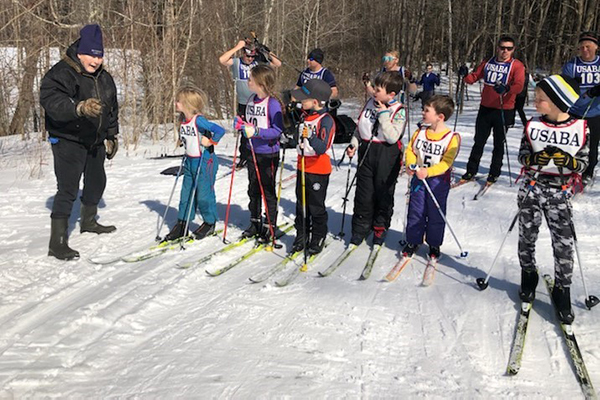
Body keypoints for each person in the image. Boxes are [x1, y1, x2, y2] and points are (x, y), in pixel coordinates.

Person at [40, 24, 119, 261]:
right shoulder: (62, 72)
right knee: (68, 188)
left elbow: (112, 108)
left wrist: (112, 134)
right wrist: (79, 108)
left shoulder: (104, 77)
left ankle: (89, 221)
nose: (96, 60)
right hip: (68, 139)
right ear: (80, 52)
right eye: (92, 55)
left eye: (99, 55)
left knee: (96, 182)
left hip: (94, 140)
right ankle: (58, 242)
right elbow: (51, 101)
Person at [516, 75, 589, 324]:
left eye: (541, 100)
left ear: (558, 102)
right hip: (532, 188)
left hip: (560, 192)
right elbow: (523, 155)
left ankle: (562, 289)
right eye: (535, 98)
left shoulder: (580, 128)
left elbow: (584, 162)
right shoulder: (534, 125)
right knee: (527, 236)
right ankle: (528, 274)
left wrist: (570, 163)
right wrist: (532, 160)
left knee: (564, 243)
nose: (535, 103)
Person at [346, 71, 406, 246]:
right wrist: (353, 144)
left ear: (391, 94)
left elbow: (393, 137)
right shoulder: (370, 103)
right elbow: (360, 128)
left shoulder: (399, 110)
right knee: (363, 193)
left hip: (386, 154)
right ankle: (360, 228)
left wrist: (384, 115)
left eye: (378, 89)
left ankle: (380, 228)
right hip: (366, 150)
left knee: (383, 193)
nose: (374, 91)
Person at [162, 86, 226, 242]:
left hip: (205, 162)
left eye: (179, 101)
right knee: (186, 194)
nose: (176, 103)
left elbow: (219, 130)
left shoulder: (199, 120)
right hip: (190, 162)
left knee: (204, 195)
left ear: (187, 104)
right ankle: (182, 224)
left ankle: (209, 222)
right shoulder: (183, 120)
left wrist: (211, 141)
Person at [460, 35, 525, 184]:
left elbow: (519, 85)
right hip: (485, 109)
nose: (505, 51)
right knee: (479, 141)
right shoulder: (488, 62)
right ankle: (471, 170)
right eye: (502, 48)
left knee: (498, 143)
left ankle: (494, 172)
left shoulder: (517, 65)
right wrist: (465, 75)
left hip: (504, 109)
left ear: (513, 50)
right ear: (497, 48)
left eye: (509, 48)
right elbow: (473, 78)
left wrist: (507, 88)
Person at [402, 96, 460, 259]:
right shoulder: (420, 131)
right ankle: (413, 240)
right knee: (416, 210)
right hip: (418, 179)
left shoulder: (451, 137)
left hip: (437, 182)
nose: (423, 112)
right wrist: (411, 164)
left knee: (436, 212)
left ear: (440, 116)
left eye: (427, 110)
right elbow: (411, 150)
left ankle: (434, 243)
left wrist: (429, 172)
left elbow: (446, 163)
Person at [235, 64, 284, 242]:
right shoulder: (250, 100)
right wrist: (241, 125)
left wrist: (256, 132)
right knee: (253, 189)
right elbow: (248, 123)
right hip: (252, 151)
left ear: (261, 83)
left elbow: (277, 131)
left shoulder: (272, 104)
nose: (248, 82)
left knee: (267, 191)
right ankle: (255, 222)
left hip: (268, 153)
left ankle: (270, 225)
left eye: (251, 79)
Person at [289, 79, 336, 255]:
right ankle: (301, 234)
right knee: (301, 204)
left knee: (316, 206)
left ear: (315, 102)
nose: (301, 102)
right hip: (302, 167)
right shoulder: (304, 116)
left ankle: (318, 235)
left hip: (318, 169)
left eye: (304, 99)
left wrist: (311, 137)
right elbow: (296, 138)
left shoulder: (326, 120)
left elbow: (322, 147)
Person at [219, 39, 281, 170]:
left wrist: (267, 51)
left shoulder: (258, 64)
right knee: (244, 131)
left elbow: (277, 63)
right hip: (244, 103)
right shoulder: (237, 63)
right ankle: (244, 157)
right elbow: (222, 60)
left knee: (257, 129)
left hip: (259, 102)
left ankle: (257, 154)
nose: (250, 59)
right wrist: (237, 46)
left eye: (252, 56)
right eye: (247, 56)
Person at [562, 31, 600, 187]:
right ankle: (570, 170)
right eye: (582, 47)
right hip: (575, 112)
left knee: (592, 145)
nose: (585, 50)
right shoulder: (572, 65)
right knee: (571, 144)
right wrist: (573, 84)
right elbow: (564, 88)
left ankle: (588, 171)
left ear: (596, 47)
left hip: (595, 112)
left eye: (588, 47)